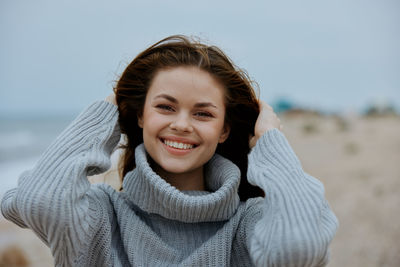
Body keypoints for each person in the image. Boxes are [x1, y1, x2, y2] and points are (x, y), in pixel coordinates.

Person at [1, 35, 338, 266]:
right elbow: (38, 200)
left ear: (224, 130)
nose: (182, 124)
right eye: (165, 107)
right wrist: (106, 112)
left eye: (203, 113)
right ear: (139, 115)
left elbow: (301, 248)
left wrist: (270, 142)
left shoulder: (248, 225)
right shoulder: (102, 217)